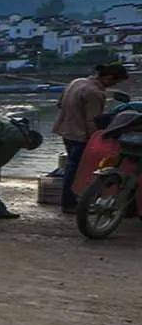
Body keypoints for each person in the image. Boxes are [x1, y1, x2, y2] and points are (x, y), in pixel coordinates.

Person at [52, 63, 128, 213]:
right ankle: (69, 204)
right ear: (108, 78)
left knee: (71, 167)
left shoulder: (76, 82)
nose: (114, 85)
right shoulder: (95, 93)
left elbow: (60, 104)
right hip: (80, 136)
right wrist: (99, 139)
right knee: (75, 170)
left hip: (66, 131)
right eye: (116, 82)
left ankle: (71, 200)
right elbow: (92, 121)